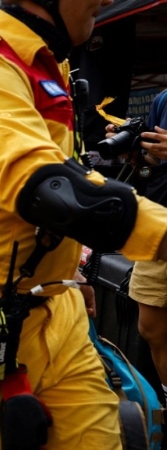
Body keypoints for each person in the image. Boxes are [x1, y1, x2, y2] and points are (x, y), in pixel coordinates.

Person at [0, 0, 167, 447]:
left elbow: (67, 171)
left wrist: (72, 273)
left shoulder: (48, 67)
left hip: (53, 306)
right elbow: (51, 189)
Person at [123, 89, 167, 404]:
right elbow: (151, 170)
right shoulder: (164, 99)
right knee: (151, 328)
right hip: (160, 225)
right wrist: (136, 156)